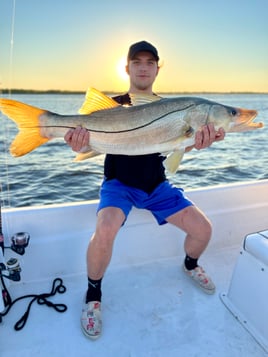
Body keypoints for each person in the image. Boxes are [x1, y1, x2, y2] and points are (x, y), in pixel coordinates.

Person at [64, 40, 225, 339]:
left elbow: (180, 147)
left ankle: (191, 265)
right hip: (118, 184)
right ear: (126, 67)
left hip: (156, 186)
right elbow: (86, 142)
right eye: (136, 61)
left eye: (150, 62)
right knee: (106, 227)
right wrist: (77, 141)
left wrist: (198, 142)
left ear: (157, 69)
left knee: (204, 230)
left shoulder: (174, 109)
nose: (143, 66)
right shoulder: (110, 105)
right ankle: (93, 295)